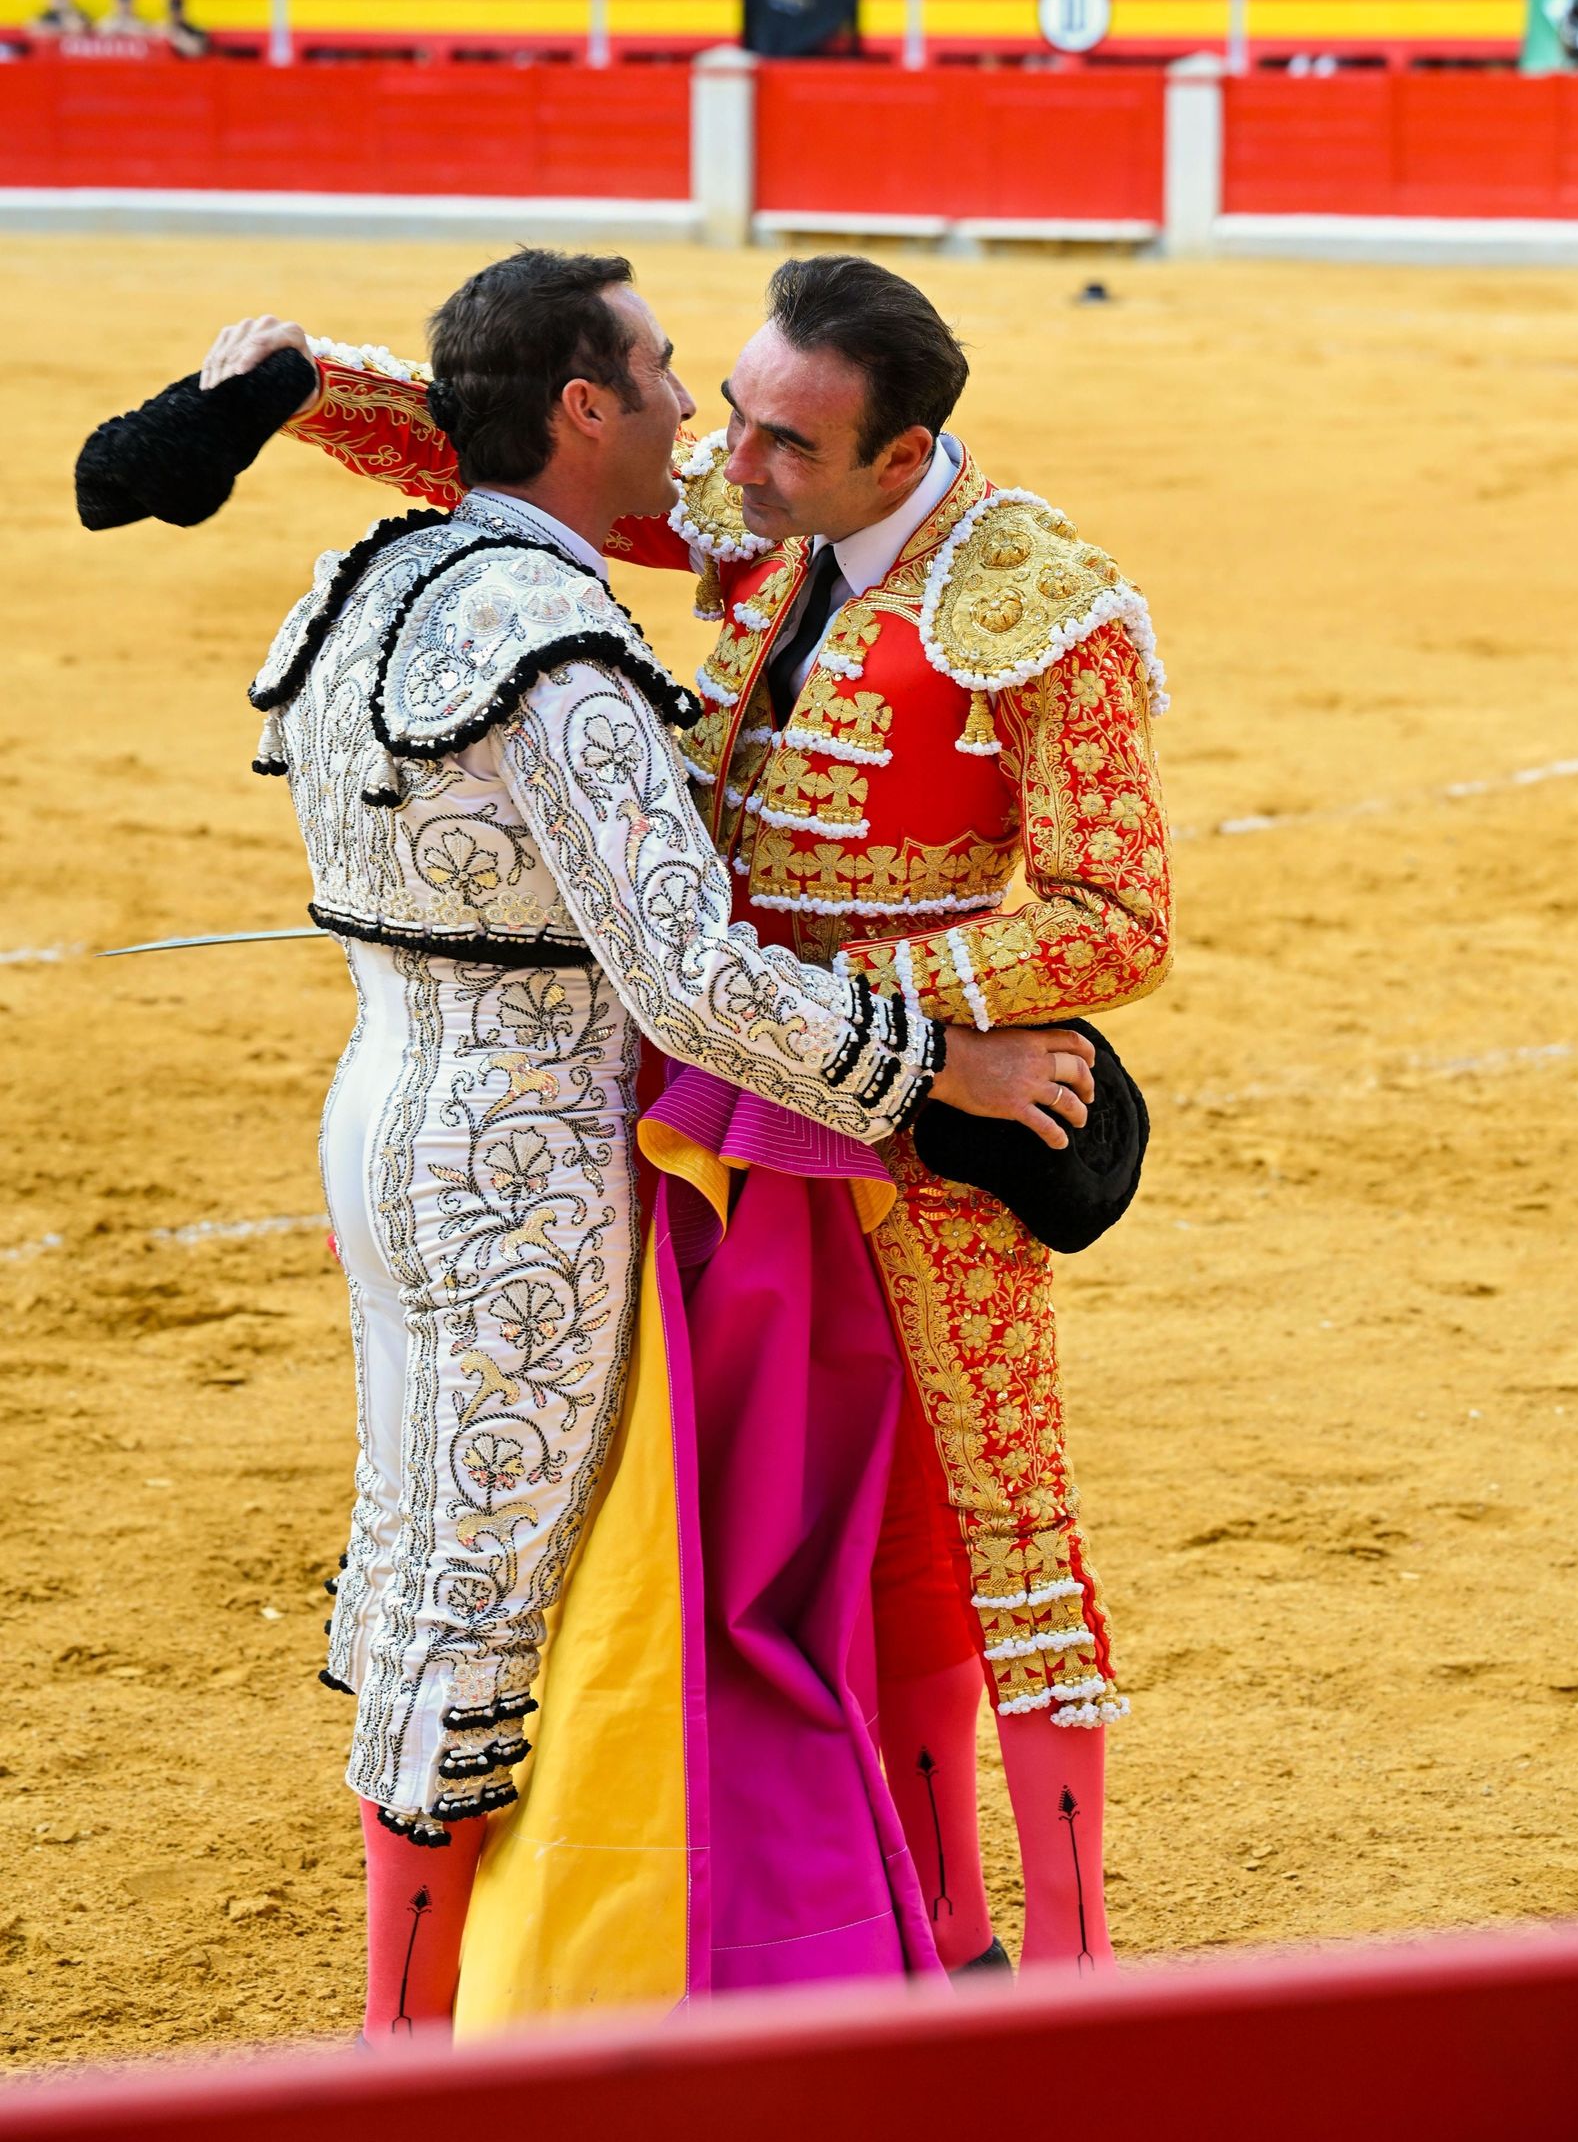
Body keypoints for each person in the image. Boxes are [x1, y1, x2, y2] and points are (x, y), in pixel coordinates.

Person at [110, 251, 1088, 2036]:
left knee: (421, 1558)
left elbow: (446, 425)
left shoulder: (378, 574)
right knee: (486, 1603)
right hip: (534, 1160)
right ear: (585, 408)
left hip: (386, 1106)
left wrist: (283, 379)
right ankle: (416, 2055)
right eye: (660, 378)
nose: (694, 425)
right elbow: (693, 975)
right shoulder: (562, 649)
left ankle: (422, 2016)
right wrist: (932, 1067)